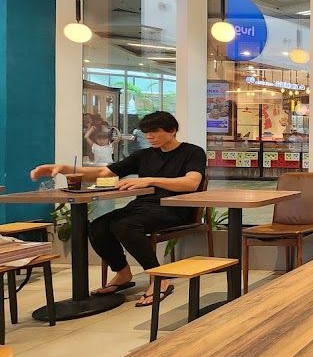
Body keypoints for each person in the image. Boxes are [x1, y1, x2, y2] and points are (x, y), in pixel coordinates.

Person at [30, 111, 207, 307]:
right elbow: (103, 172)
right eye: (146, 132)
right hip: (143, 207)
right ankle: (122, 273)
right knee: (98, 226)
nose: (149, 136)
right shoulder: (143, 155)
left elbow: (191, 183)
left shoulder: (192, 152)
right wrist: (65, 168)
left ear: (172, 130)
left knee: (125, 226)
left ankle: (159, 277)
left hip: (175, 209)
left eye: (155, 131)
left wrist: (150, 180)